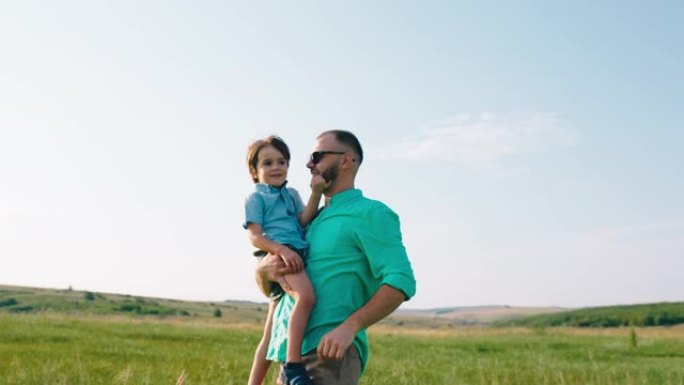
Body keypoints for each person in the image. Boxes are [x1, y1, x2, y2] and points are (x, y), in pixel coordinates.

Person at [256, 130, 417, 385]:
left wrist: (349, 328)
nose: (309, 164)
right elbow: (277, 290)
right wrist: (262, 273)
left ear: (346, 160)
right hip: (289, 360)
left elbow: (402, 280)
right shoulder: (307, 221)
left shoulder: (371, 213)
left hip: (327, 356)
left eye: (317, 156)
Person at [244, 136, 328, 385]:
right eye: (267, 163)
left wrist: (316, 194)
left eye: (281, 161)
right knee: (306, 297)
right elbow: (255, 236)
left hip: (294, 252)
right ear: (254, 171)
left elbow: (303, 220)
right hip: (279, 256)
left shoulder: (291, 194)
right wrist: (282, 251)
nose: (276, 167)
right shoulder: (256, 198)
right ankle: (293, 364)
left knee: (269, 334)